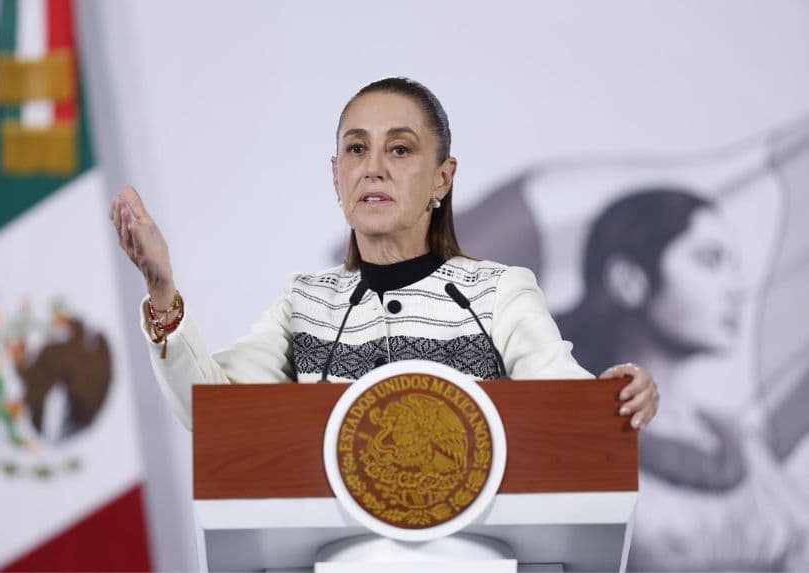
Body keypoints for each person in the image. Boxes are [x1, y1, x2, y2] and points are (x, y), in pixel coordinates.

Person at [109, 77, 659, 431]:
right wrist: (161, 289)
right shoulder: (305, 303)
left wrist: (614, 400)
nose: (373, 167)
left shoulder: (498, 293)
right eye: (356, 149)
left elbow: (563, 400)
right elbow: (213, 412)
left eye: (400, 148)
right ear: (336, 175)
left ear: (443, 178)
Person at [555, 188, 807, 571]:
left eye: (734, 265)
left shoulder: (748, 451)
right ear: (628, 280)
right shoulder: (562, 443)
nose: (737, 288)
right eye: (709, 261)